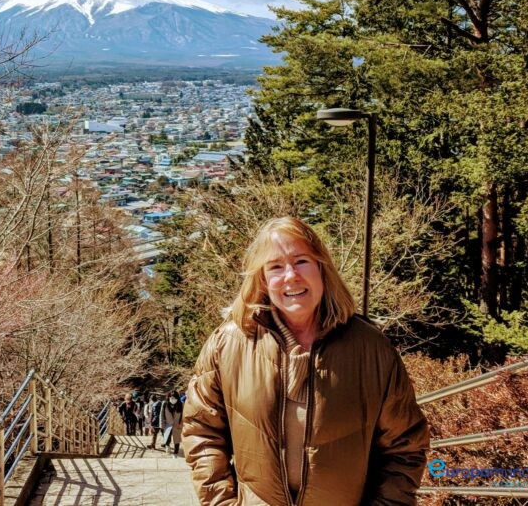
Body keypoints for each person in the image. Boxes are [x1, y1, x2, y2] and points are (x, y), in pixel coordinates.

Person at [183, 216, 429, 505]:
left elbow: (405, 446)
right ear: (262, 279)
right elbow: (202, 431)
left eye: (301, 261)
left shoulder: (370, 348)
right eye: (275, 266)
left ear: (321, 268)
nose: (290, 276)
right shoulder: (228, 344)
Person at [160, 390, 184, 457]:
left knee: (177, 439)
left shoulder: (181, 404)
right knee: (167, 437)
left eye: (175, 398)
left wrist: (181, 424)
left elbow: (183, 414)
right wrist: (161, 425)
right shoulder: (165, 403)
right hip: (168, 424)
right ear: (169, 397)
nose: (173, 399)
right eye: (171, 397)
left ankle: (176, 451)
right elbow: (161, 415)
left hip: (177, 424)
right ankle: (167, 446)